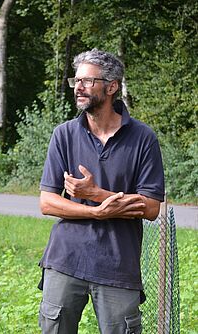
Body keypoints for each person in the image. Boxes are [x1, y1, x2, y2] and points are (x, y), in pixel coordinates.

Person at [38, 49, 165, 334]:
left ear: (112, 86)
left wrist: (96, 193)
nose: (78, 87)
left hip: (119, 266)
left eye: (87, 81)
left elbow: (151, 207)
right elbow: (47, 202)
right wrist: (96, 212)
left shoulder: (143, 138)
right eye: (76, 80)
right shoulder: (64, 134)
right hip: (64, 260)